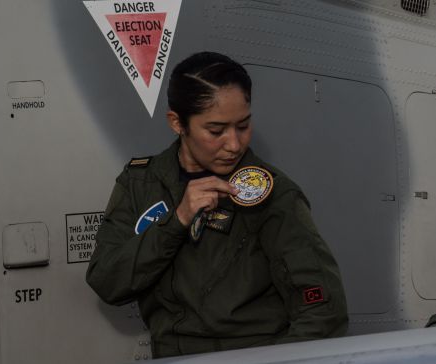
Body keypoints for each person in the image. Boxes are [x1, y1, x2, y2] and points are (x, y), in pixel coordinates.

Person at [86, 51, 348, 358]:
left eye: (243, 125)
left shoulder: (274, 195)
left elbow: (324, 312)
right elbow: (107, 281)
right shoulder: (140, 183)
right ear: (177, 123)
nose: (234, 144)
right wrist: (177, 220)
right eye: (216, 131)